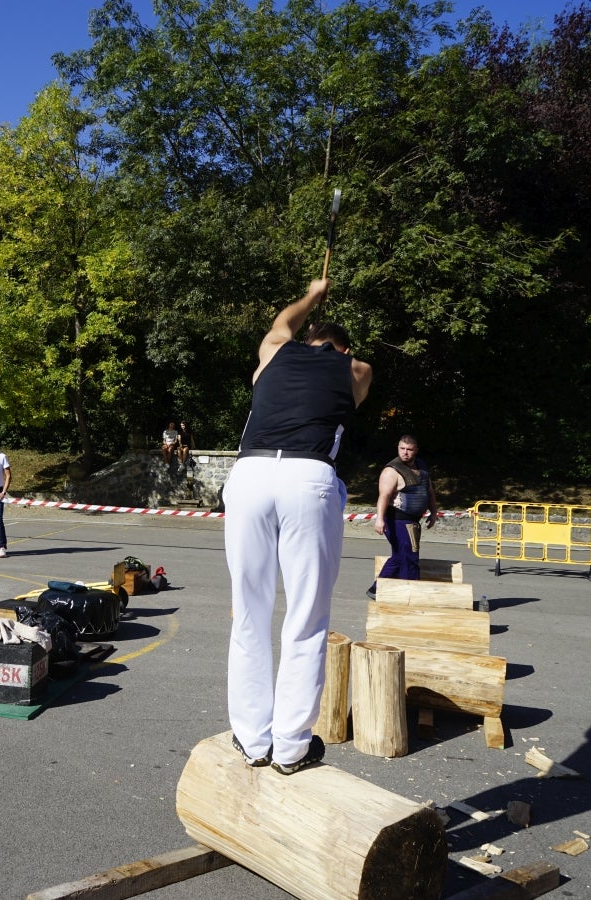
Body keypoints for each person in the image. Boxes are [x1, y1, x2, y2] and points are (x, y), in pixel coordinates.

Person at [225, 277, 372, 775]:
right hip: (308, 477)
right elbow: (355, 382)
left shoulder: (272, 354)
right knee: (306, 618)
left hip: (249, 474)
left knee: (249, 612)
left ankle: (252, 740)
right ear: (341, 347)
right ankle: (290, 746)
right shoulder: (356, 368)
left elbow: (282, 324)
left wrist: (312, 293)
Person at [366, 435, 439, 598]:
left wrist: (434, 512)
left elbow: (429, 490)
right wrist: (379, 519)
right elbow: (383, 496)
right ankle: (410, 593)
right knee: (409, 557)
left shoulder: (422, 467)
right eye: (402, 449)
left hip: (413, 520)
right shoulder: (391, 470)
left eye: (409, 449)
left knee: (400, 556)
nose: (405, 453)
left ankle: (377, 588)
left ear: (416, 450)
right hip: (397, 520)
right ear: (398, 448)